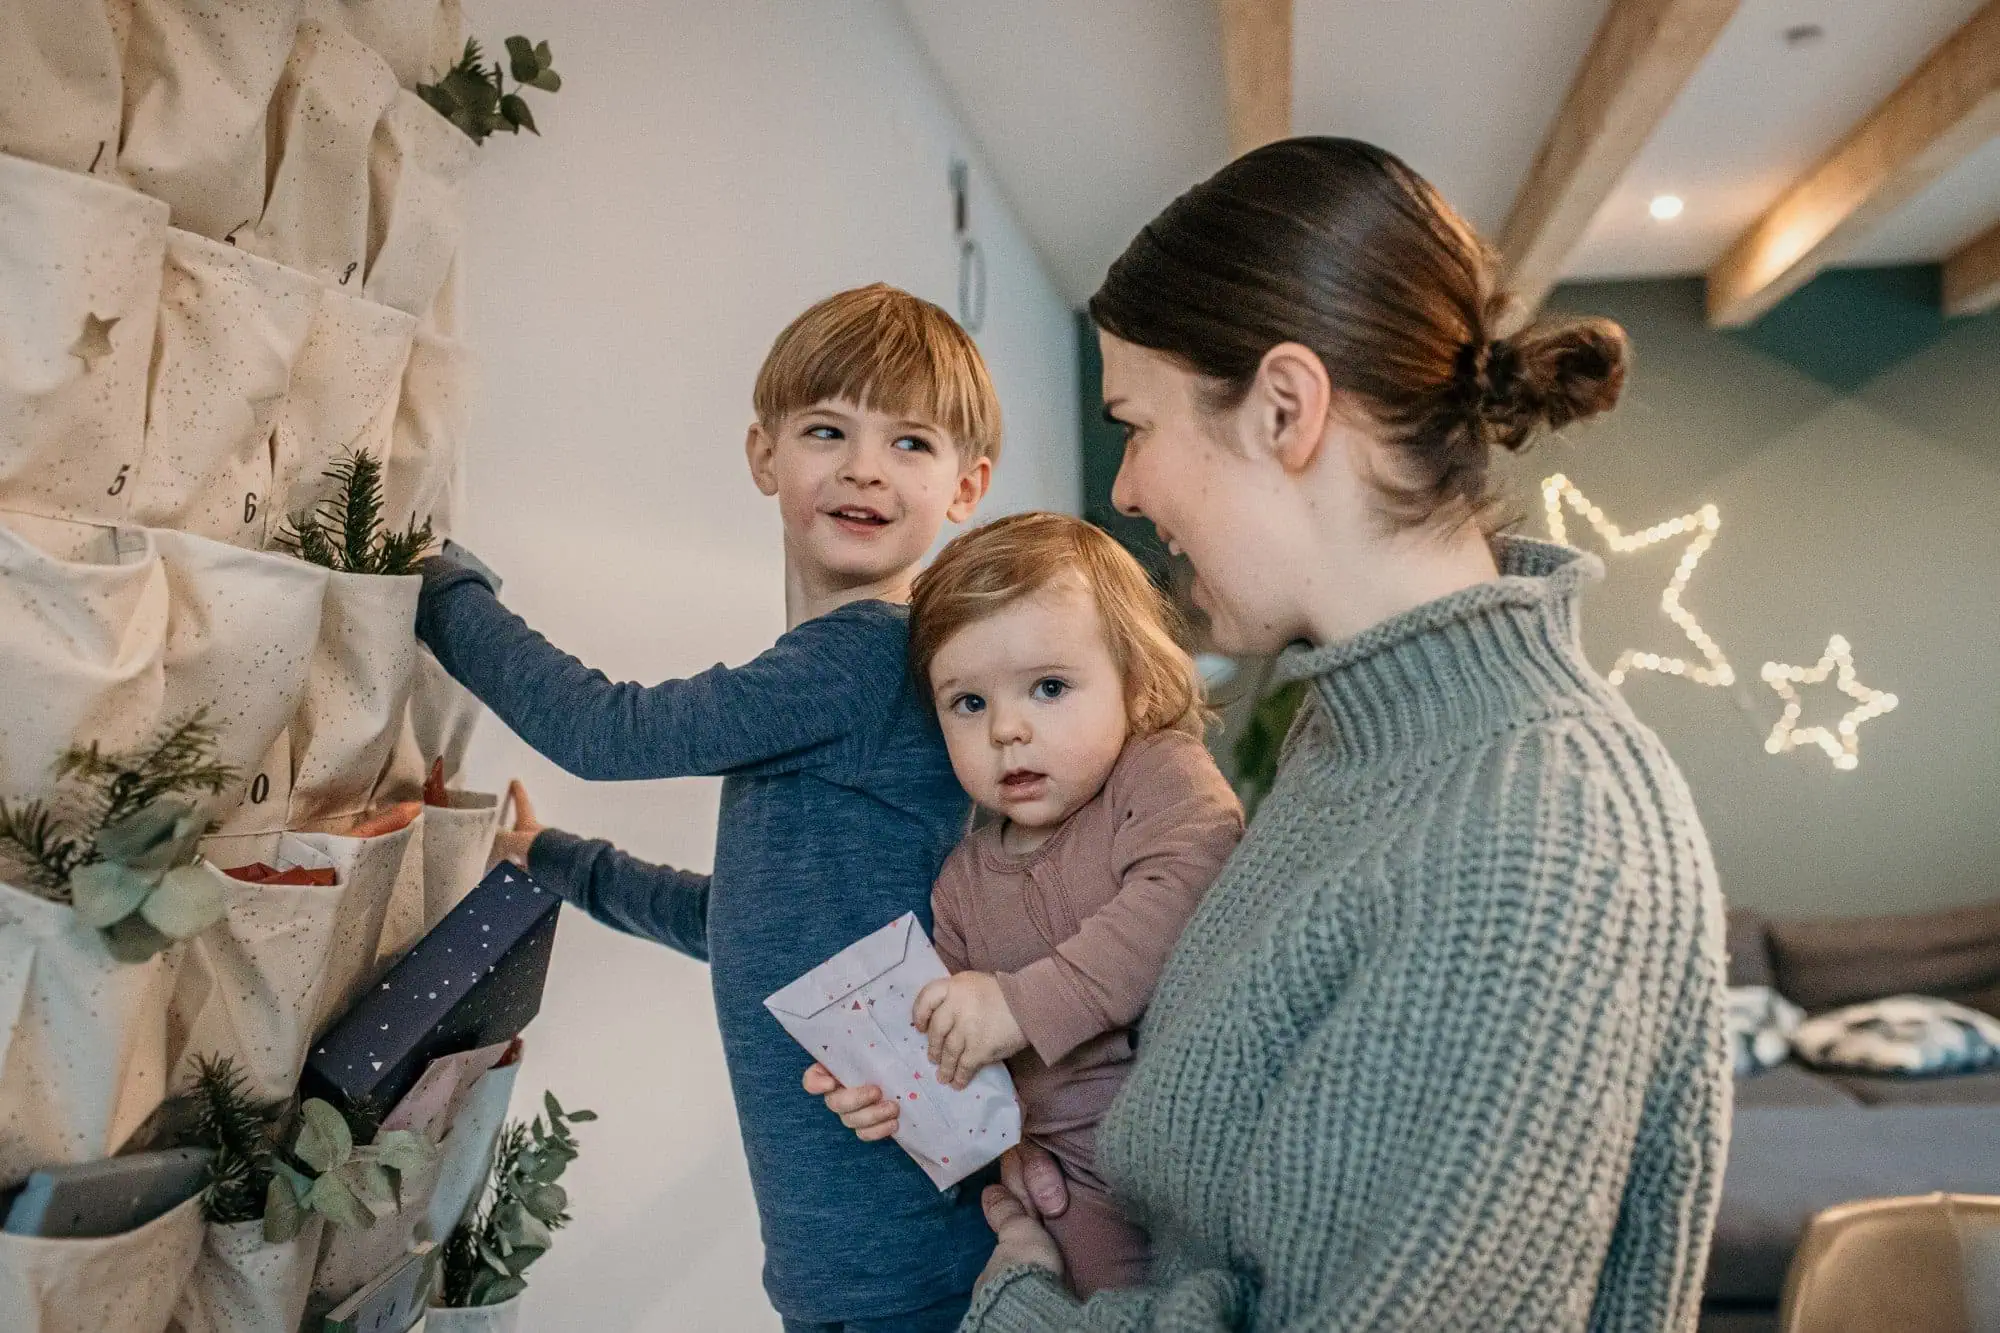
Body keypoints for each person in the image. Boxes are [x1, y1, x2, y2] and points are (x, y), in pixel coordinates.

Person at [813, 138, 1732, 1331]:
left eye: (1135, 425)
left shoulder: (1540, 827)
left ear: (1285, 409)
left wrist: (1022, 1300)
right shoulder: (1348, 745)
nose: (1128, 489)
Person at [418, 284, 1003, 1332]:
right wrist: (550, 856)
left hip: (902, 1265)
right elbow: (751, 928)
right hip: (855, 1256)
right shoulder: (847, 676)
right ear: (763, 456)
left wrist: (436, 590)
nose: (864, 465)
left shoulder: (861, 655)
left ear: (966, 486)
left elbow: (608, 730)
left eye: (908, 441)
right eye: (828, 429)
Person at [805, 512, 1241, 1299]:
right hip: (1070, 1194)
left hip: (1205, 1157)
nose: (1008, 728)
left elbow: (1185, 886)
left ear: (1134, 683)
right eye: (967, 702)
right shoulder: (962, 881)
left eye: (1049, 687)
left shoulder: (1160, 774)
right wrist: (888, 1088)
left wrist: (1020, 1002)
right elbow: (959, 1048)